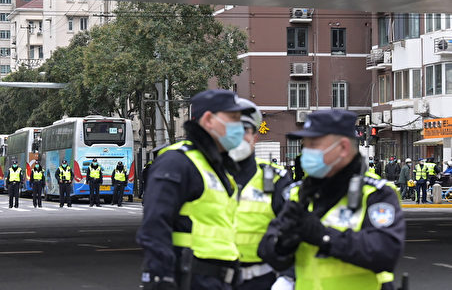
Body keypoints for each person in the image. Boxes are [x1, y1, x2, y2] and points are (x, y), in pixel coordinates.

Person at [257, 110, 404, 290]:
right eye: (305, 145)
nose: (306, 153)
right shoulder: (298, 194)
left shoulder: (376, 194)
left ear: (342, 148)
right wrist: (283, 243)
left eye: (314, 145)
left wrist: (325, 237)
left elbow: (385, 252)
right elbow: (266, 250)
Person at [136, 89, 255, 290]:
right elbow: (155, 225)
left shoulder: (216, 167)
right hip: (191, 279)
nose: (240, 127)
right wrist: (161, 279)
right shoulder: (177, 162)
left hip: (219, 280)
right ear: (209, 120)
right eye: (234, 118)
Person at [228, 98, 293, 290]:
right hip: (209, 280)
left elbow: (294, 231)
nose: (237, 137)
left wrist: (289, 277)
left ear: (255, 137)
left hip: (261, 281)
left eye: (244, 131)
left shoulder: (276, 180)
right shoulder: (203, 174)